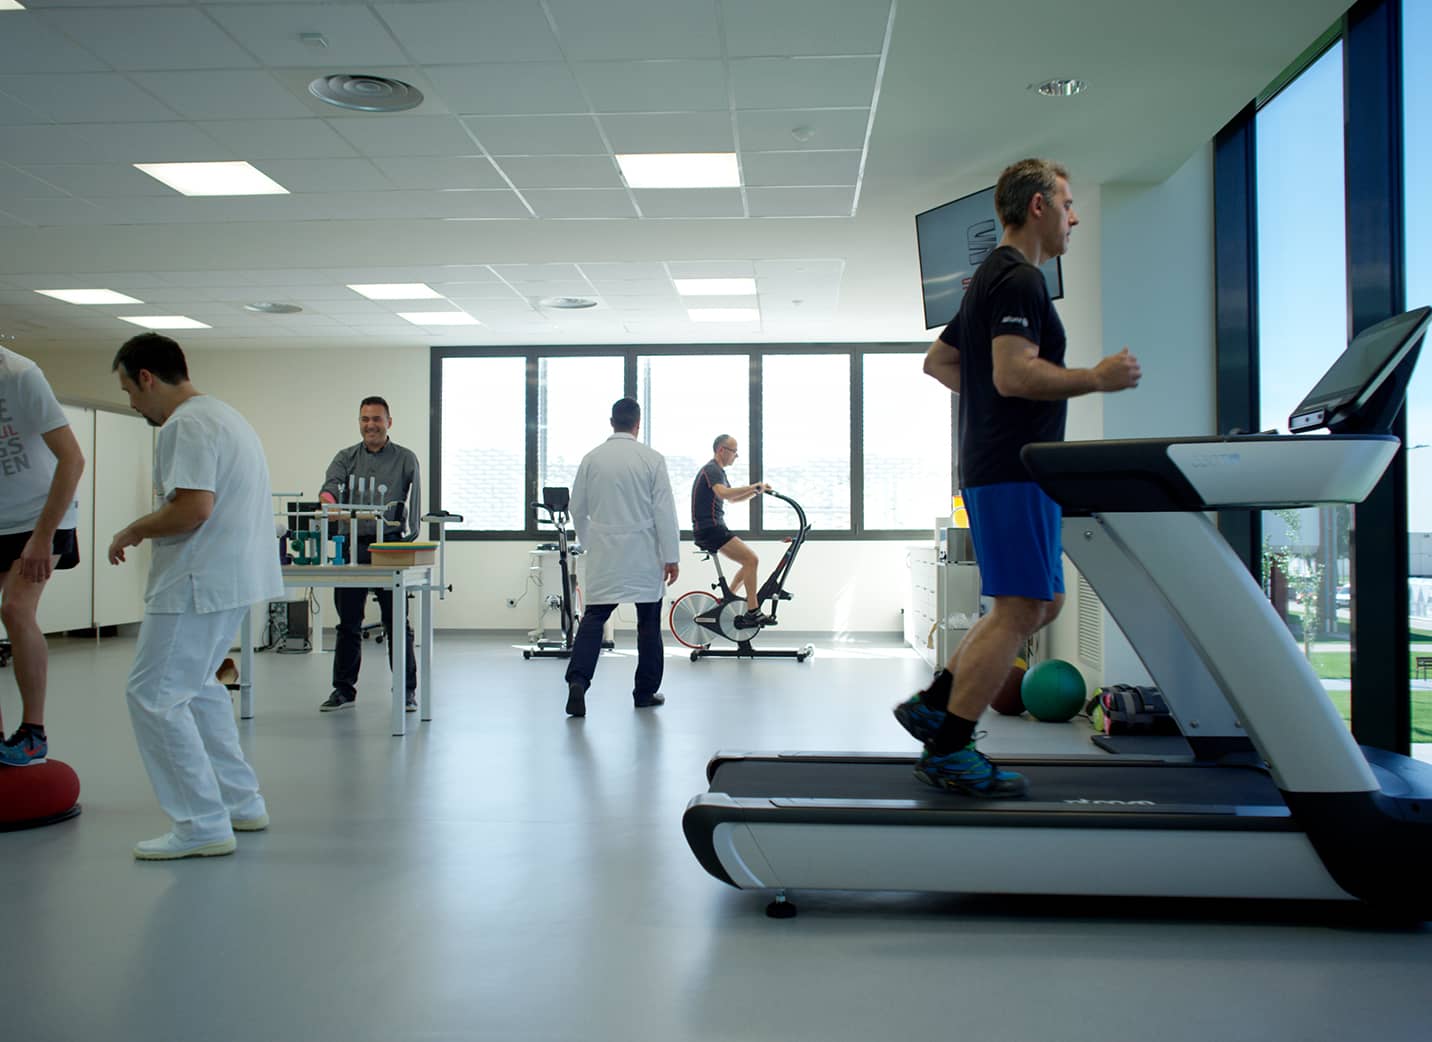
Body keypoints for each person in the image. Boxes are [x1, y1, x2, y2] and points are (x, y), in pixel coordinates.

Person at [893, 158, 1141, 797]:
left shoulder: (987, 281)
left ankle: (936, 702)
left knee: (1042, 601)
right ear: (1037, 206)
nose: (1074, 216)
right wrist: (1095, 378)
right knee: (1022, 605)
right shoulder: (1020, 279)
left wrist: (993, 405)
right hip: (1012, 465)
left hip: (1000, 462)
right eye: (1066, 203)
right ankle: (948, 749)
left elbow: (940, 360)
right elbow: (1011, 374)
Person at [107, 333, 282, 859]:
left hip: (194, 582)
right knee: (199, 688)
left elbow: (193, 509)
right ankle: (240, 802)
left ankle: (201, 824)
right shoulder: (224, 415)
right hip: (226, 582)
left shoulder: (184, 424)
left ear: (147, 378)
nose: (132, 405)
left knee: (154, 698)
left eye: (129, 391)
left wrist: (133, 529)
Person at [563, 397, 680, 718]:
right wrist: (671, 556)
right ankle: (645, 692)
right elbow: (664, 511)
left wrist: (590, 541)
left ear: (611, 421)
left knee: (594, 619)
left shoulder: (591, 459)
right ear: (637, 424)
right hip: (644, 554)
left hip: (605, 553)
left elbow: (577, 508)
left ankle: (578, 681)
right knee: (648, 624)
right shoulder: (651, 459)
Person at [0, 349, 85, 767]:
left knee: (15, 609)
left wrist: (42, 536)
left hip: (41, 514)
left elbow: (73, 458)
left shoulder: (20, 374)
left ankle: (34, 732)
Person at [315, 396, 422, 713]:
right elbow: (329, 487)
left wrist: (410, 539)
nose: (370, 425)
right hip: (353, 548)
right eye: (365, 419)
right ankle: (343, 690)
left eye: (377, 419)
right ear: (359, 422)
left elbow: (415, 502)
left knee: (396, 622)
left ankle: (406, 690)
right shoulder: (346, 457)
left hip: (390, 547)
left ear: (389, 422)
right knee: (348, 623)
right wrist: (328, 502)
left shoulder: (405, 459)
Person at [691, 435, 772, 629]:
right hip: (710, 529)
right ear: (721, 450)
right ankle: (753, 611)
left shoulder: (718, 472)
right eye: (734, 451)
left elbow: (732, 499)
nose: (736, 456)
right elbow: (723, 493)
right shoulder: (712, 469)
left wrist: (756, 491)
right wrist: (754, 486)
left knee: (748, 562)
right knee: (751, 560)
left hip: (712, 528)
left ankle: (729, 600)